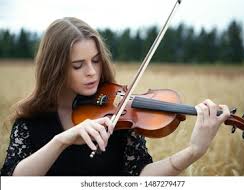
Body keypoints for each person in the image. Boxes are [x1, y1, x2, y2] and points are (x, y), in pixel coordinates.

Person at [0, 17, 230, 176]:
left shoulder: (118, 117)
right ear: (55, 68)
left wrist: (193, 152)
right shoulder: (31, 123)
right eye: (78, 65)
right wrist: (62, 140)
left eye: (96, 60)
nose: (91, 71)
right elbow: (12, 180)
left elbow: (140, 176)